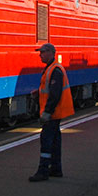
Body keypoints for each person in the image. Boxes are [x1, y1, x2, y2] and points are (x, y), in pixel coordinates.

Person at [29, 43, 74, 182]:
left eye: (42, 52)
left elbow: (55, 94)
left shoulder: (55, 70)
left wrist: (47, 112)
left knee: (46, 140)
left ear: (50, 53)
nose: (39, 55)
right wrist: (38, 93)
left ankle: (43, 170)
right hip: (56, 111)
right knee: (55, 140)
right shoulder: (51, 68)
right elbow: (49, 89)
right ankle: (56, 168)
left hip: (54, 112)